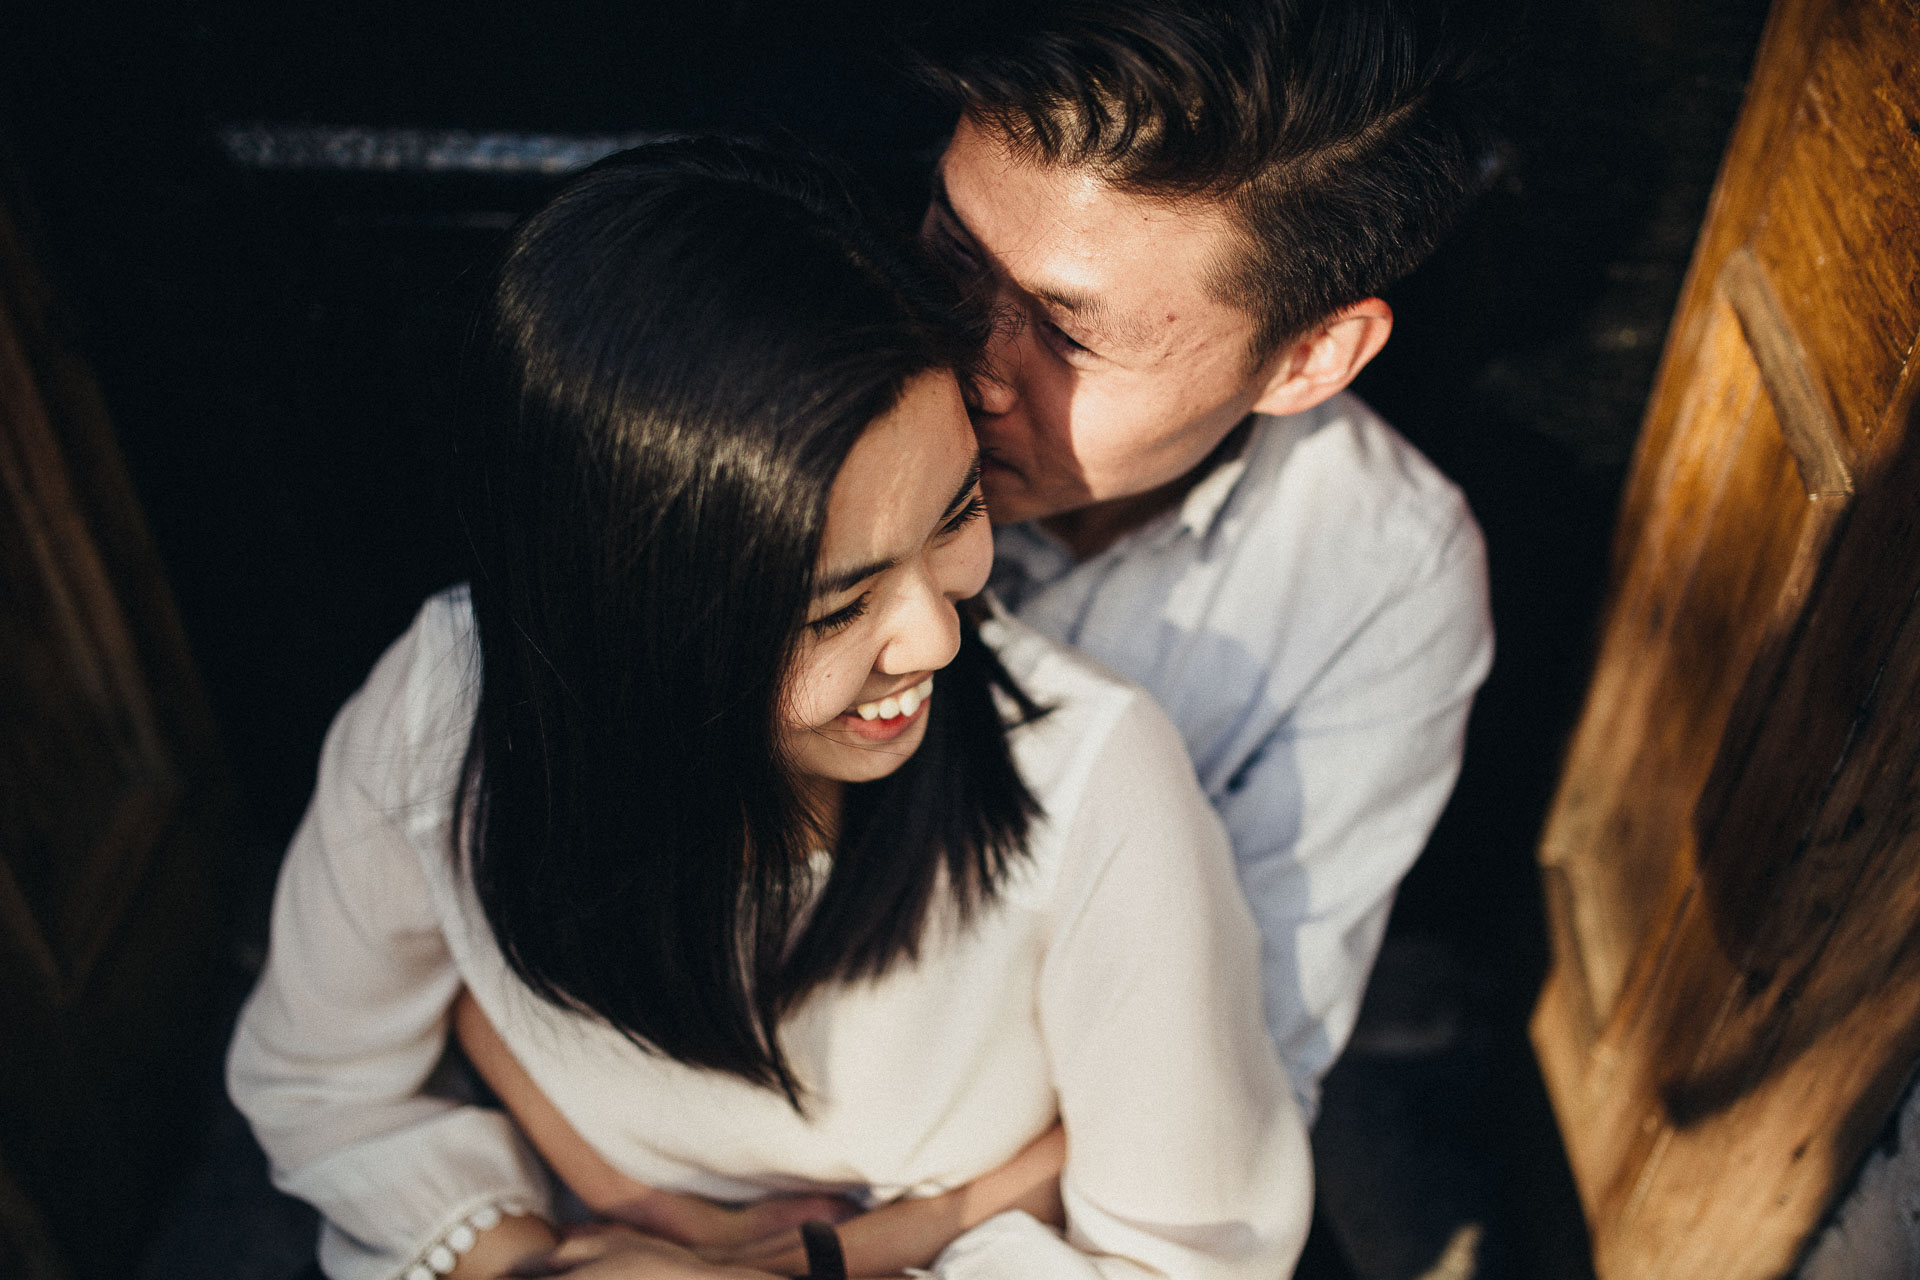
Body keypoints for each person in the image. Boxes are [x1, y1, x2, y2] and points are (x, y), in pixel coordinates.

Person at [227, 139, 1309, 1280]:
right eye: (837, 608)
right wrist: (538, 1261)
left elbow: (1188, 1257)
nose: (937, 638)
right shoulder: (451, 707)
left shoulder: (1088, 776)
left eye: (955, 515)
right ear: (629, 614)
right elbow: (321, 1080)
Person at [911, 0, 1500, 1118]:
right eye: (950, 252)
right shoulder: (781, 378)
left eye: (1070, 336)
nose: (968, 366)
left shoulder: (1383, 580)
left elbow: (1248, 1067)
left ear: (1310, 356)